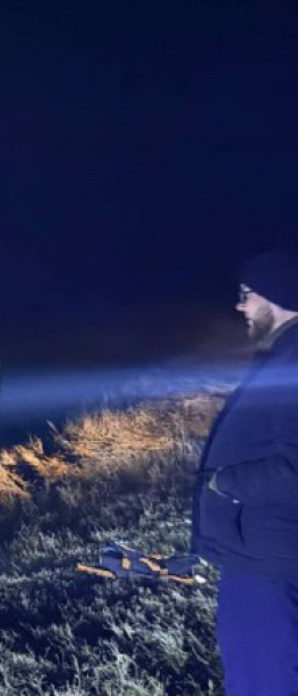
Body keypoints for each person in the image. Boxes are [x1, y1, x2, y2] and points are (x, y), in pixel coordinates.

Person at [192, 249, 298, 694]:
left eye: (247, 294)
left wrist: (224, 483)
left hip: (268, 564)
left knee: (263, 680)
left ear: (276, 296)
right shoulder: (284, 356)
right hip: (272, 554)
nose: (240, 306)